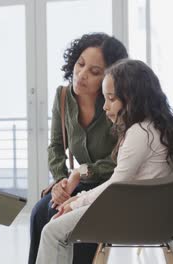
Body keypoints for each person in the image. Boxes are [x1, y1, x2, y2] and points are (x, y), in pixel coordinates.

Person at [35, 59, 173, 264]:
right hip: (150, 210)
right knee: (56, 226)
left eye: (111, 99)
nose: (105, 107)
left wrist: (76, 202)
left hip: (134, 214)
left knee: (53, 232)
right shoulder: (155, 127)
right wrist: (78, 198)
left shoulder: (140, 133)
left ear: (133, 99)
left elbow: (115, 185)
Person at [28, 33, 128, 264]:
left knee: (72, 219)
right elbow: (55, 146)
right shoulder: (62, 96)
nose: (81, 75)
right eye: (80, 64)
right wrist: (61, 182)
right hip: (77, 181)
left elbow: (120, 160)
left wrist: (80, 173)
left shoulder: (117, 104)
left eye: (94, 72)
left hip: (109, 185)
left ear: (110, 77)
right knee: (41, 211)